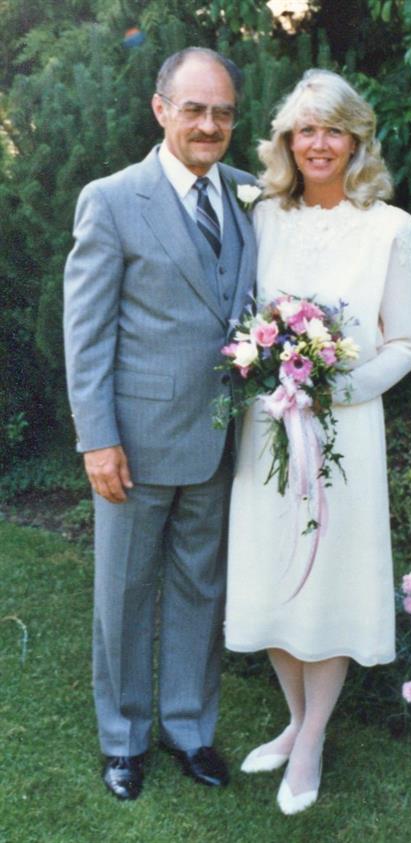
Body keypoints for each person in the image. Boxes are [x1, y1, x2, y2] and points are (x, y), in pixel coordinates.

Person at [224, 69, 411, 815]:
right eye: (304, 129)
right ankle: (294, 718)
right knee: (272, 569)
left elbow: (406, 341)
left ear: (356, 139)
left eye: (332, 129)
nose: (318, 143)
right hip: (268, 425)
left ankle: (309, 741)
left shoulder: (388, 228)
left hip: (344, 427)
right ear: (285, 139)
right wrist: (266, 368)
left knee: (331, 574)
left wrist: (335, 387)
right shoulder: (260, 214)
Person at [63, 47, 257, 801]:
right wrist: (96, 437)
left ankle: (188, 728)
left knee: (197, 590)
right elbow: (86, 333)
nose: (208, 125)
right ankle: (122, 738)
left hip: (217, 440)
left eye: (222, 112)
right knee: (122, 593)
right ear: (160, 109)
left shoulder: (246, 194)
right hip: (134, 444)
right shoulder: (112, 199)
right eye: (194, 109)